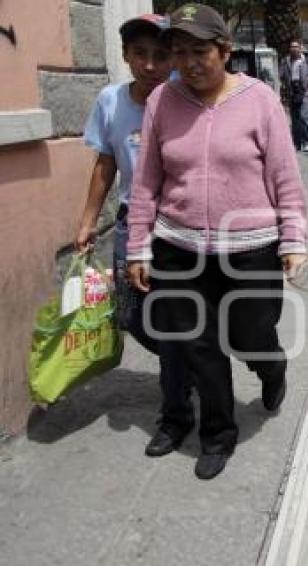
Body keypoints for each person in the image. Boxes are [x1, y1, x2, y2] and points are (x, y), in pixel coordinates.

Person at [127, 4, 308, 480]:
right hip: (179, 246)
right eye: (179, 52)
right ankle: (218, 434)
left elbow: (285, 176)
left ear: (225, 50)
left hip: (252, 247)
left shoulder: (260, 99)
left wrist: (294, 239)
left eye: (199, 51)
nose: (188, 62)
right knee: (200, 345)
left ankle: (272, 369)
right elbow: (146, 183)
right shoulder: (161, 103)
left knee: (251, 335)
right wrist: (138, 247)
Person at [75, 13, 194, 460]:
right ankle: (187, 363)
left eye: (161, 56)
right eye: (140, 54)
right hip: (130, 225)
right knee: (133, 317)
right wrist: (87, 220)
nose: (149, 65)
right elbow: (105, 163)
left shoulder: (186, 99)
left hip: (178, 228)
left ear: (174, 60)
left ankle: (175, 413)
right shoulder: (110, 101)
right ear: (125, 56)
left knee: (174, 324)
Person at [279, 39, 308, 152]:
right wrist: (283, 90)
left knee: (304, 117)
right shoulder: (285, 61)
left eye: (296, 46)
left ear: (300, 48)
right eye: (291, 46)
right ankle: (296, 143)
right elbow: (280, 76)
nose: (293, 48)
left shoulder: (307, 61)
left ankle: (306, 142)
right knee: (294, 120)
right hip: (291, 93)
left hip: (304, 92)